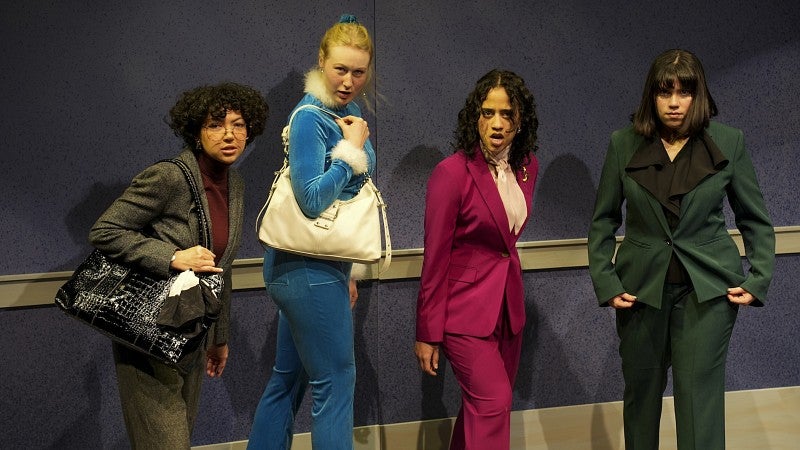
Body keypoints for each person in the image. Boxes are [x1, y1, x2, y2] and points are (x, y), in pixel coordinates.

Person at [588, 49, 775, 450]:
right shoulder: (623, 145)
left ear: (698, 95)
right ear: (650, 97)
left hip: (706, 293)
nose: (674, 103)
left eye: (684, 92)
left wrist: (758, 277)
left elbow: (755, 218)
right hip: (639, 292)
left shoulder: (728, 143)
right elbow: (603, 219)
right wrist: (605, 279)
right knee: (641, 401)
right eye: (664, 91)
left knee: (699, 405)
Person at [89, 82, 268, 449]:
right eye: (216, 125)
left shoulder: (235, 183)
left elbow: (222, 268)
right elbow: (105, 230)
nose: (229, 134)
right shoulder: (169, 177)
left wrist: (219, 338)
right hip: (148, 329)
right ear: (196, 132)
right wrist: (173, 257)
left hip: (191, 333)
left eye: (238, 124)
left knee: (176, 438)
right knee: (166, 443)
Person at [247, 14, 376, 450]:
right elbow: (312, 200)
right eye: (340, 69)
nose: (348, 81)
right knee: (337, 382)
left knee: (288, 380)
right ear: (321, 62)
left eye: (359, 72)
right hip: (305, 268)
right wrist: (350, 154)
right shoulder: (309, 117)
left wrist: (346, 271)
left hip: (316, 266)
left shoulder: (349, 110)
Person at [415, 69, 540, 450]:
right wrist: (427, 331)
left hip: (507, 311)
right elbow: (434, 259)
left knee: (479, 409)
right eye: (488, 113)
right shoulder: (451, 173)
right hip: (464, 311)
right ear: (475, 116)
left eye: (507, 114)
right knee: (493, 402)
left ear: (521, 120)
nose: (497, 123)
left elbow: (507, 243)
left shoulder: (527, 167)